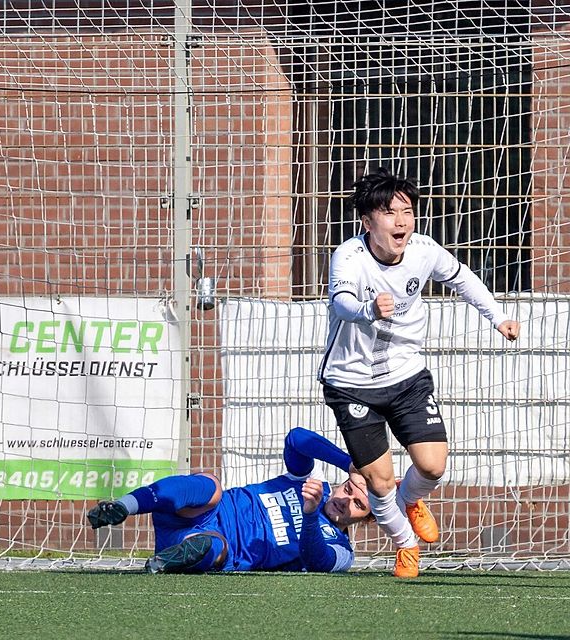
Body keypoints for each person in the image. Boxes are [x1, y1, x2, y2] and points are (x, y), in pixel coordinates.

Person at [319, 167, 521, 578]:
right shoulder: (350, 256)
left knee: (431, 466)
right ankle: (405, 544)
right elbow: (340, 304)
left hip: (407, 376)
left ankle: (412, 502)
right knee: (379, 482)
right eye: (390, 213)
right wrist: (367, 310)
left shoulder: (425, 250)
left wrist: (498, 317)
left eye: (407, 211)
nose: (401, 221)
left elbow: (462, 279)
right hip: (352, 384)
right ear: (367, 221)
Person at [87, 427, 373, 574]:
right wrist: (349, 463)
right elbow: (296, 438)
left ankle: (170, 559)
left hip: (218, 544)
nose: (347, 500)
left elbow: (319, 562)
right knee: (210, 486)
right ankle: (123, 506)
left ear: (367, 519)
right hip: (197, 512)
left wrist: (310, 514)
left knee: (214, 547)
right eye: (348, 489)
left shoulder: (342, 549)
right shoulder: (310, 482)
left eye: (359, 505)